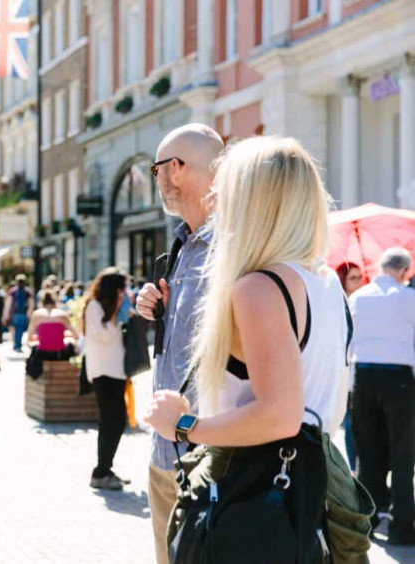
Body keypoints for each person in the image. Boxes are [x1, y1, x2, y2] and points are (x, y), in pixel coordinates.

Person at [144, 136, 351, 560]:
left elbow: (278, 415)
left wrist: (184, 425)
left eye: (228, 188)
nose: (218, 200)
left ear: (252, 199)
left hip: (252, 494)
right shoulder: (326, 282)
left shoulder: (259, 287)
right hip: (312, 493)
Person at [134, 123, 224, 564]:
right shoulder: (182, 244)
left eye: (156, 170)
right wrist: (154, 304)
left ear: (175, 169)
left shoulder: (234, 247)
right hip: (164, 453)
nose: (158, 182)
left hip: (210, 456)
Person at [349, 247, 415, 544]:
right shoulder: (409, 299)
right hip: (399, 378)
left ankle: (368, 520)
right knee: (403, 453)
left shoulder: (358, 297)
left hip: (363, 377)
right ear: (404, 272)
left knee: (368, 453)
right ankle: (402, 526)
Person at [80, 268, 130, 490]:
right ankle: (100, 472)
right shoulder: (94, 306)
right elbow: (103, 335)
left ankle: (105, 469)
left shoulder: (109, 309)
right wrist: (118, 314)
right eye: (121, 290)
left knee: (114, 421)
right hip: (103, 372)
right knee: (113, 421)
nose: (124, 294)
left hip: (116, 371)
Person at [336, 261, 365, 471]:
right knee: (350, 425)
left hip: (361, 369)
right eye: (353, 278)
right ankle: (354, 469)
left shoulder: (363, 301)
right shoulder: (338, 302)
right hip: (343, 371)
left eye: (360, 277)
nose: (359, 282)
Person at [26, 290, 79, 359]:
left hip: (42, 352)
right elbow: (76, 336)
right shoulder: (62, 314)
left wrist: (43, 336)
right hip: (60, 352)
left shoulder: (36, 314)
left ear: (42, 302)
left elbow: (29, 338)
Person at [3, 274, 34, 352]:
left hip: (15, 313)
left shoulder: (13, 291)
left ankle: (17, 344)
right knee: (20, 329)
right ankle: (18, 344)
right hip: (22, 313)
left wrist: (6, 314)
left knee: (16, 329)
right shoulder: (27, 291)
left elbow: (8, 303)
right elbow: (31, 303)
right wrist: (29, 312)